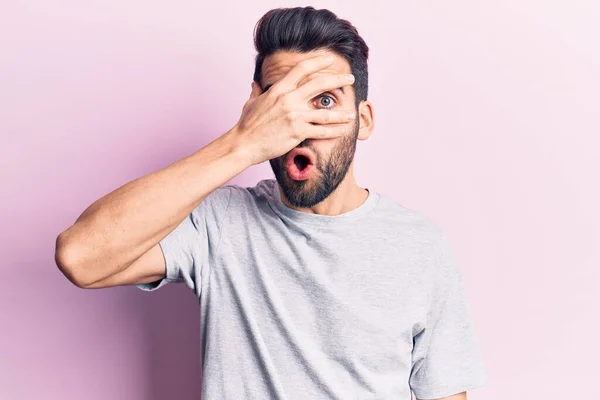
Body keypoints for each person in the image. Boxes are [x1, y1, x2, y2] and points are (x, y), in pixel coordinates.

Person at [55, 6, 487, 400]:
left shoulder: (421, 246)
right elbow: (80, 256)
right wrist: (241, 143)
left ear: (363, 120)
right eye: (281, 103)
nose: (299, 127)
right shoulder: (219, 223)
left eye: (323, 101)